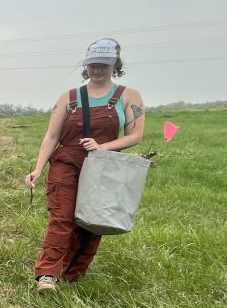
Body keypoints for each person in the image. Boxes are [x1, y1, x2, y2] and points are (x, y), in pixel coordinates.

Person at [24, 38, 145, 291]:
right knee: (62, 217)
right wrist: (38, 168)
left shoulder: (128, 96)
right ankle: (48, 274)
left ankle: (72, 274)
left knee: (92, 221)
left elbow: (135, 135)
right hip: (67, 163)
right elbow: (52, 136)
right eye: (92, 65)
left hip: (103, 168)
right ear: (85, 66)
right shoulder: (68, 97)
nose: (97, 70)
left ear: (114, 65)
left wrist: (103, 147)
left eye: (103, 65)